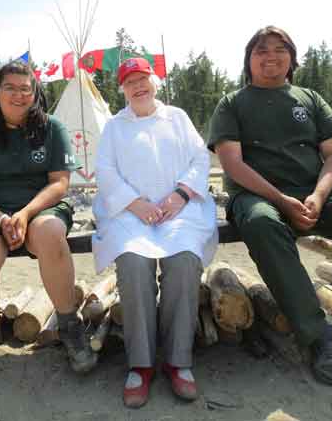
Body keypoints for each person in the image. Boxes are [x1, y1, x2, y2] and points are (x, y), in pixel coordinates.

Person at [207, 26, 332, 386]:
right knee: (260, 222)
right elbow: (232, 164)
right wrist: (280, 199)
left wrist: (319, 195)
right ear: (249, 60)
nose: (270, 56)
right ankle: (318, 336)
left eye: (280, 49)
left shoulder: (309, 98)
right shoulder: (232, 103)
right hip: (258, 196)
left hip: (314, 190)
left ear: (291, 58)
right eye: (261, 50)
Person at [0, 62, 97, 396]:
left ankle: (70, 327)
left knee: (51, 234)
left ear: (35, 94)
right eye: (9, 88)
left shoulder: (51, 127)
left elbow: (60, 184)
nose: (18, 94)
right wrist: (2, 219)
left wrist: (26, 213)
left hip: (39, 208)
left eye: (25, 88)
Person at [92, 57, 218, 407]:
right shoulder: (115, 127)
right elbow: (104, 171)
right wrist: (136, 205)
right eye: (129, 81)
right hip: (132, 214)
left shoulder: (177, 117)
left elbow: (200, 160)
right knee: (132, 264)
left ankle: (178, 361)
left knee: (183, 261)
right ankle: (142, 364)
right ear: (122, 89)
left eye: (142, 78)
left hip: (179, 211)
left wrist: (179, 196)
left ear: (155, 81)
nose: (137, 86)